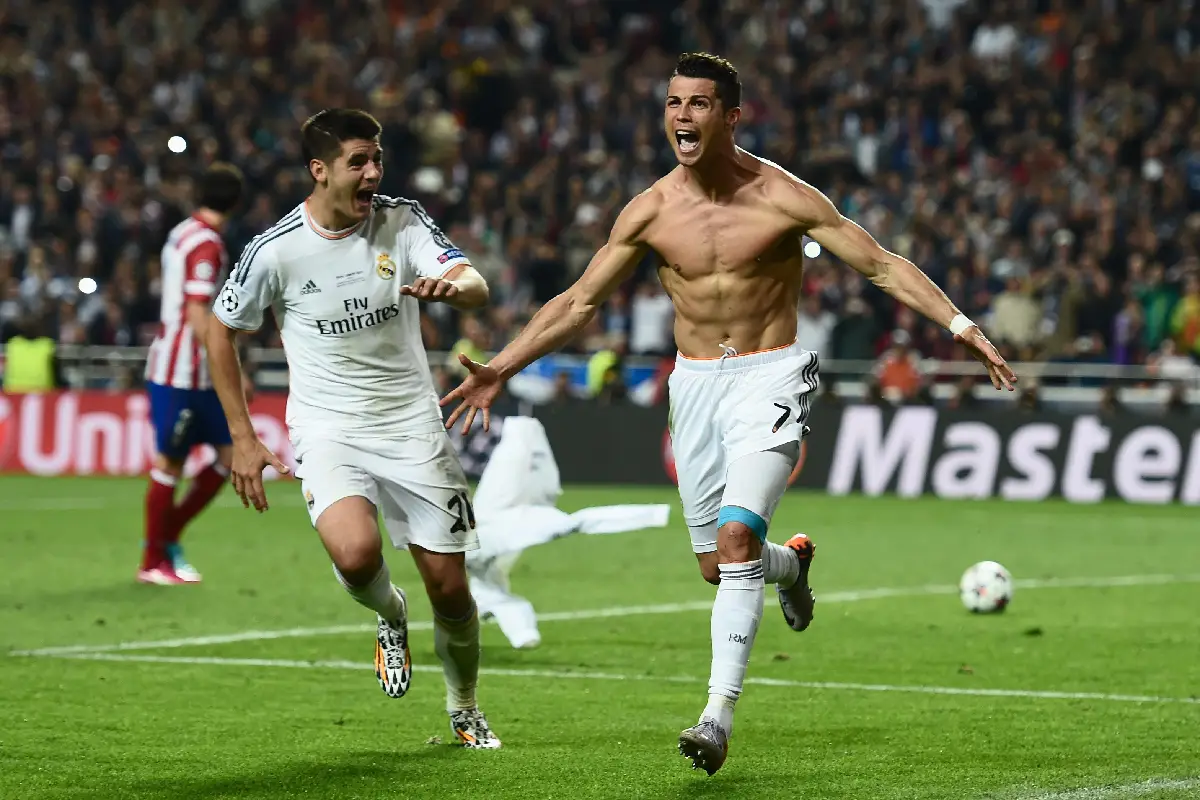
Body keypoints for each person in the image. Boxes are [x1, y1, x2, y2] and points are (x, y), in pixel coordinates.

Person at [441, 53, 1016, 774]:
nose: (683, 116)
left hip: (770, 375)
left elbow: (880, 264)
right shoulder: (649, 210)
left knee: (737, 539)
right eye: (674, 103)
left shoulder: (781, 195)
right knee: (720, 565)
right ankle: (793, 567)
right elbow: (580, 303)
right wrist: (502, 365)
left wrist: (961, 326)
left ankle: (715, 718)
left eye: (700, 104)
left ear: (731, 115)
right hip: (695, 387)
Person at [205, 108, 501, 749]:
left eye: (377, 161)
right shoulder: (275, 249)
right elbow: (220, 329)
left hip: (411, 425)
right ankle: (390, 615)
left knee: (450, 590)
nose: (373, 174)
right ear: (320, 170)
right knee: (356, 553)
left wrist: (455, 289)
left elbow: (473, 280)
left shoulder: (402, 219)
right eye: (358, 163)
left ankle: (464, 706)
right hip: (328, 426)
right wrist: (243, 437)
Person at [140, 163, 246, 585]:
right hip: (182, 372)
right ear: (237, 203)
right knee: (172, 461)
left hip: (192, 371)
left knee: (228, 457)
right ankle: (153, 560)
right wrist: (228, 369)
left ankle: (167, 536)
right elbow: (198, 311)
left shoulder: (182, 232)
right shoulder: (207, 244)